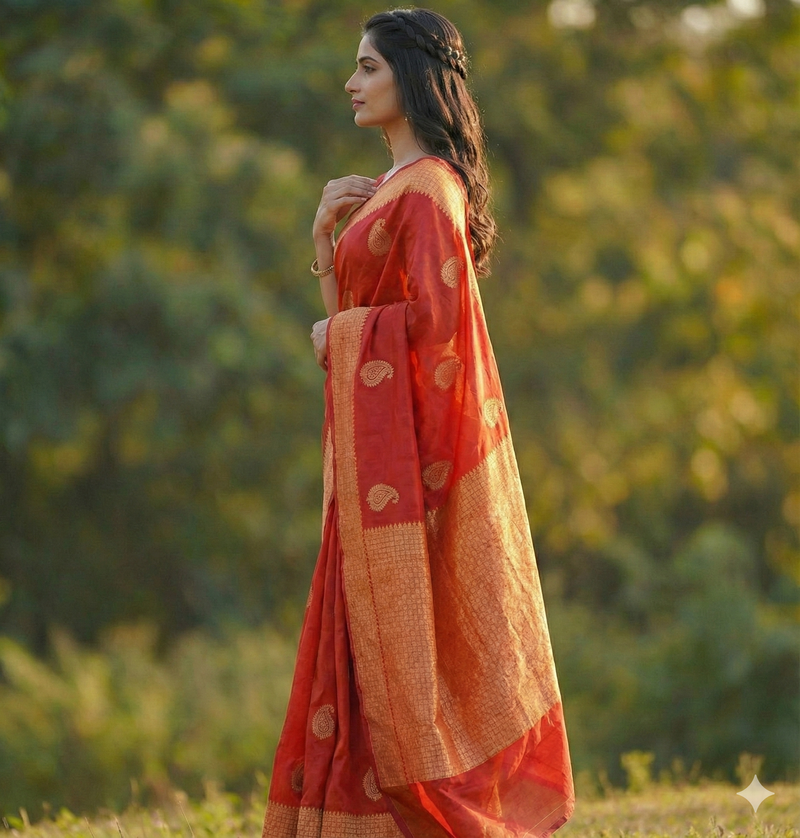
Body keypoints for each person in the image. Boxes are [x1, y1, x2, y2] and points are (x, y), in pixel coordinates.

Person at [262, 9, 575, 838]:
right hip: (369, 469)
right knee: (364, 647)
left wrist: (342, 333)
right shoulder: (389, 190)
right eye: (353, 69)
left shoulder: (431, 188)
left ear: (411, 77)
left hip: (412, 476)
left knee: (402, 657)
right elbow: (347, 337)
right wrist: (324, 242)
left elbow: (438, 343)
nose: (350, 83)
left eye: (367, 67)